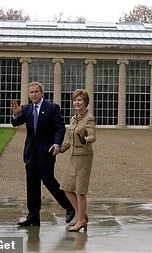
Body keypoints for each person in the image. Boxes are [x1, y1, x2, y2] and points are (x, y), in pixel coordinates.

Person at [10, 81, 75, 226]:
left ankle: (70, 206)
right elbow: (15, 123)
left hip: (46, 151)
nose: (34, 94)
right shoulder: (26, 109)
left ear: (41, 93)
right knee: (32, 185)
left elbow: (60, 128)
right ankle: (33, 217)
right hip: (30, 152)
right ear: (29, 94)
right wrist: (15, 115)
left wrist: (57, 144)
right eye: (31, 92)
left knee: (48, 181)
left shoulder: (52, 108)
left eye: (36, 92)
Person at [59, 89, 96, 232]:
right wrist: (58, 149)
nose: (77, 102)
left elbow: (93, 137)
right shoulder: (73, 119)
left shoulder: (89, 118)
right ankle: (81, 215)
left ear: (85, 102)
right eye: (75, 100)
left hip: (84, 157)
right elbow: (69, 141)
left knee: (80, 191)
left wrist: (84, 139)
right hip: (73, 157)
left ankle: (80, 220)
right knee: (66, 187)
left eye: (79, 100)